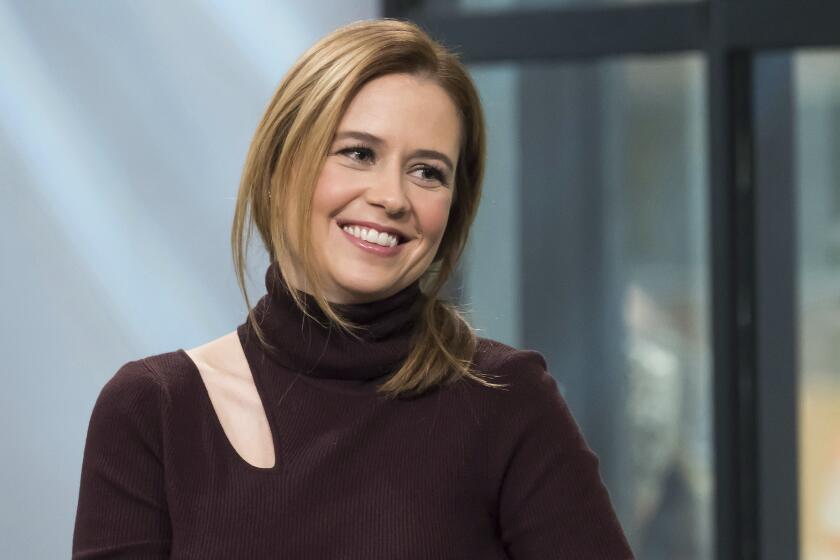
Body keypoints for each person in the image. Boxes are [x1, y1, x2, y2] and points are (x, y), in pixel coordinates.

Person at [72, 18, 634, 559]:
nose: (392, 196)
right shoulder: (154, 410)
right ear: (280, 164)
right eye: (358, 153)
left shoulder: (505, 400)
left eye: (428, 172)